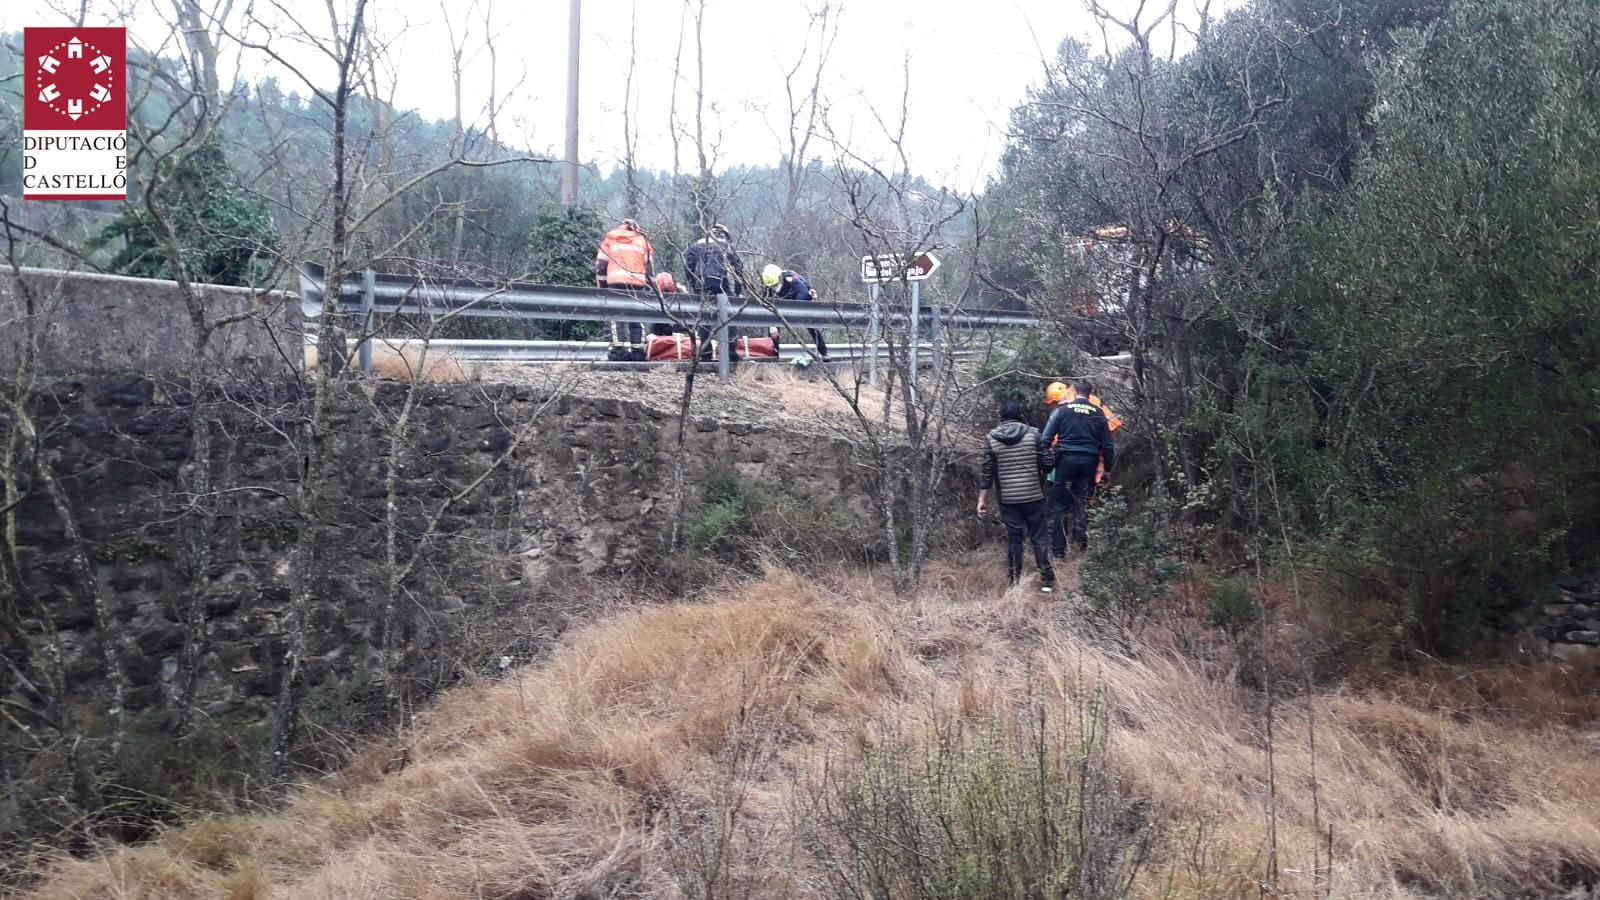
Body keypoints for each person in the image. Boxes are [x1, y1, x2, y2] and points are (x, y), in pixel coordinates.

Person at [977, 400, 1056, 592]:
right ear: (1020, 414)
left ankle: (1014, 582)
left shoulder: (991, 438)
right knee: (1039, 537)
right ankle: (1046, 581)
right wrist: (1051, 456)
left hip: (1008, 499)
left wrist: (981, 499)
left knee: (1014, 539)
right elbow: (1047, 465)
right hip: (1034, 495)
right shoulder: (1034, 434)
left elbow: (987, 472)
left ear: (1001, 416)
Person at [1041, 379, 1117, 555]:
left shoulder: (1061, 411)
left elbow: (1045, 440)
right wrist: (1107, 470)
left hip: (1065, 460)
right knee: (1082, 503)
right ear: (1089, 394)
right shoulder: (1098, 412)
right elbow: (1108, 445)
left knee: (1060, 506)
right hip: (1089, 463)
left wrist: (1047, 460)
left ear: (1074, 391)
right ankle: (1080, 547)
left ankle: (1059, 551)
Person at [595, 218, 655, 361]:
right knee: (637, 318)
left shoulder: (611, 239)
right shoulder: (643, 241)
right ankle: (638, 353)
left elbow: (601, 265)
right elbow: (650, 269)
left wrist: (602, 287)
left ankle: (618, 352)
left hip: (616, 283)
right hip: (638, 284)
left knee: (617, 318)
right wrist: (653, 288)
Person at [684, 224, 744, 360]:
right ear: (725, 234)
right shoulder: (725, 245)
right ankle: (730, 353)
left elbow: (688, 268)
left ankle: (705, 354)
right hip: (721, 284)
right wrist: (737, 293)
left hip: (702, 286)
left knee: (705, 319)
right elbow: (737, 271)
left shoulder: (696, 245)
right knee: (729, 316)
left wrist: (695, 285)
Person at [761, 263, 829, 361]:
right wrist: (772, 324)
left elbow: (803, 294)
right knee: (773, 330)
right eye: (773, 285)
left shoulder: (792, 279)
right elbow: (767, 303)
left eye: (776, 284)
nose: (775, 287)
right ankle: (774, 355)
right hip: (782, 302)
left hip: (799, 297)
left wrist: (795, 313)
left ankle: (824, 352)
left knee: (811, 325)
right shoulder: (767, 286)